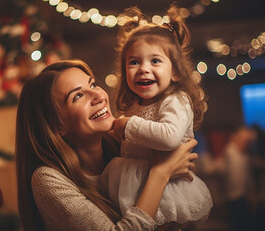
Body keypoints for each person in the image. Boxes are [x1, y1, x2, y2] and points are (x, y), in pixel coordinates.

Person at [15, 59, 199, 231]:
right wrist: (161, 173)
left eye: (93, 84)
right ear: (56, 125)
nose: (99, 96)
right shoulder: (47, 180)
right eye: (78, 96)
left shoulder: (126, 147)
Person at [101, 5, 213, 228]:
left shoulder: (176, 99)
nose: (143, 68)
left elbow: (169, 137)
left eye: (155, 61)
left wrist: (128, 125)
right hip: (137, 186)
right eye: (134, 62)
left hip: (168, 189)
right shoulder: (135, 104)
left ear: (175, 72)